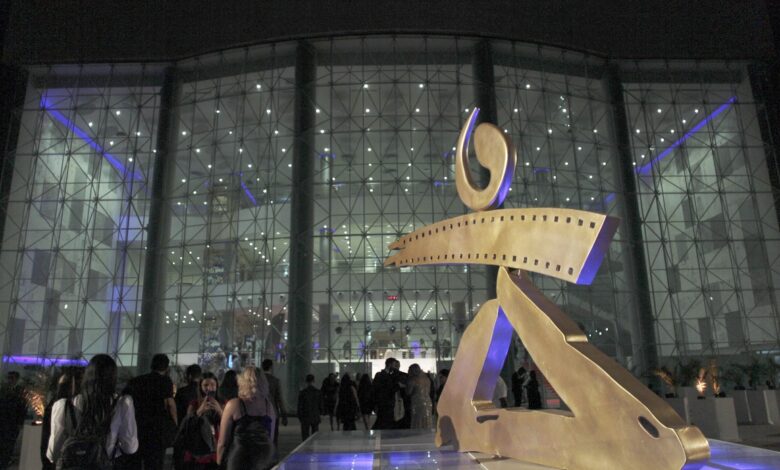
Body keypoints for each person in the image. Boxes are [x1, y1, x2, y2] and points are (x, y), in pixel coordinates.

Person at [47, 355, 138, 466]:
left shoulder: (63, 406)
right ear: (113, 378)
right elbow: (130, 448)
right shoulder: (122, 404)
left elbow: (53, 454)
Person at [125, 353, 177, 469]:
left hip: (138, 426)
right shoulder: (165, 381)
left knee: (135, 461)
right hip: (157, 430)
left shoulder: (137, 381)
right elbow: (170, 404)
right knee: (154, 463)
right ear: (166, 367)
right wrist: (175, 423)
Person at [217, 366, 275, 470]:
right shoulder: (268, 406)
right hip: (264, 458)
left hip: (240, 457)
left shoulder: (234, 404)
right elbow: (271, 436)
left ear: (241, 381)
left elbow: (222, 442)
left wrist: (218, 462)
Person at [178, 372, 224, 469]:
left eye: (212, 385)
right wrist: (200, 410)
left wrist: (220, 411)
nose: (209, 388)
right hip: (198, 448)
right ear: (200, 387)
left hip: (216, 447)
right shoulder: (194, 403)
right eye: (205, 385)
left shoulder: (222, 403)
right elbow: (187, 425)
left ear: (217, 386)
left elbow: (228, 425)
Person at [41, 368, 83, 470]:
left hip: (56, 458)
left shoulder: (56, 404)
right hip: (65, 458)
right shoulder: (64, 405)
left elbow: (52, 437)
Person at [0, 371, 27, 469]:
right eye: (9, 378)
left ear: (16, 379)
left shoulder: (20, 391)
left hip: (12, 423)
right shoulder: (4, 390)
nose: (9, 380)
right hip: (4, 422)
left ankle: (4, 463)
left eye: (12, 378)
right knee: (4, 444)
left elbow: (22, 408)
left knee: (8, 445)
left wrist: (20, 422)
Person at [261, 359, 287, 446]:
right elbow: (280, 399)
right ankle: (273, 453)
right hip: (273, 413)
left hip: (259, 412)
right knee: (273, 438)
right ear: (271, 367)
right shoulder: (275, 381)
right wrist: (284, 414)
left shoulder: (258, 381)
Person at [371, 358, 401, 430]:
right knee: (384, 421)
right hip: (384, 403)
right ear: (390, 364)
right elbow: (378, 390)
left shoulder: (384, 375)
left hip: (387, 403)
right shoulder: (382, 376)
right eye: (394, 365)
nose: (396, 367)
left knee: (384, 421)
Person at [406, 364, 433, 429]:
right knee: (426, 421)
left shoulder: (413, 380)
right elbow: (429, 391)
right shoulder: (427, 379)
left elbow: (408, 392)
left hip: (417, 402)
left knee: (417, 421)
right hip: (428, 402)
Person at [297, 374, 322, 440]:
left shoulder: (302, 393)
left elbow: (300, 406)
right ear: (314, 380)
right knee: (315, 436)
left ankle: (306, 445)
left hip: (305, 416)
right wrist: (320, 413)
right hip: (315, 415)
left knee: (305, 435)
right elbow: (320, 405)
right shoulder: (318, 392)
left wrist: (300, 416)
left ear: (306, 381)